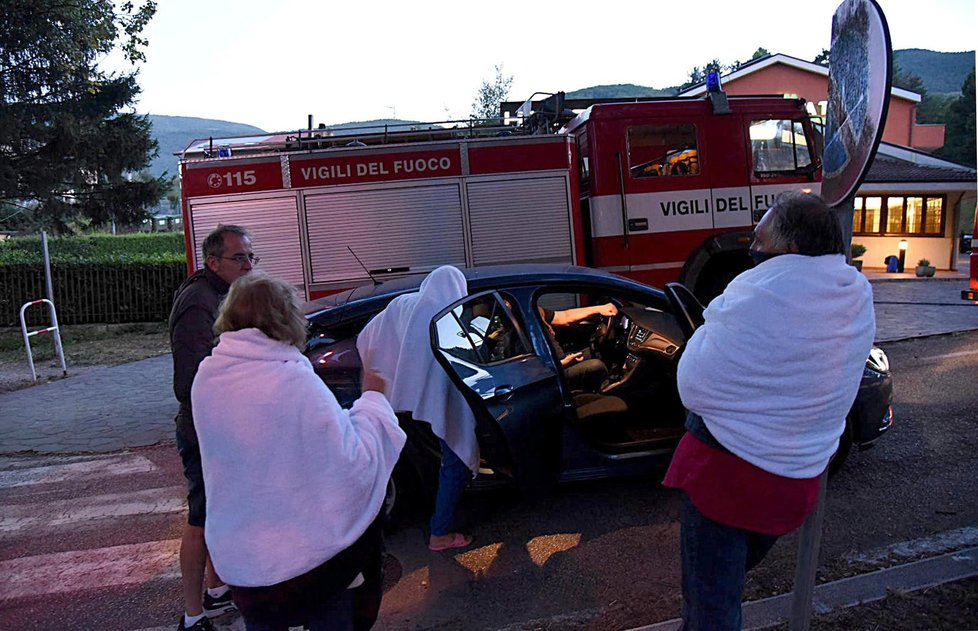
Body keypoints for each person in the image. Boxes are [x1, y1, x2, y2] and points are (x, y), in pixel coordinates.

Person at [662, 192, 876, 630]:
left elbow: (694, 385)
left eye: (760, 242)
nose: (754, 251)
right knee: (724, 586)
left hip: (724, 484)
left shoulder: (758, 292)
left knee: (711, 609)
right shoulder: (855, 292)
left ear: (792, 250)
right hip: (794, 484)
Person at [191, 272, 406, 631]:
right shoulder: (292, 379)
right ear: (286, 317)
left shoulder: (208, 377)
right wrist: (373, 401)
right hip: (307, 568)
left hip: (244, 563)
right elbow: (350, 464)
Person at [169, 224, 256, 631]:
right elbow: (189, 381)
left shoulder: (218, 294)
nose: (248, 265)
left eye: (251, 256)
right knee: (201, 519)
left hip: (216, 425)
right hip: (202, 428)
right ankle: (192, 615)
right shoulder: (198, 303)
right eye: (240, 257)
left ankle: (216, 591)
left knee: (216, 512)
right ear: (213, 261)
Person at [356, 266, 477, 552]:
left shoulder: (404, 304)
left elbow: (367, 335)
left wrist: (383, 370)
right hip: (439, 400)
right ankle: (440, 534)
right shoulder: (447, 318)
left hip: (396, 400)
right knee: (456, 458)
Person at [538, 302, 618, 392]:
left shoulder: (533, 309)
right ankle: (608, 399)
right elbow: (530, 368)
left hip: (560, 361)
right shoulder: (520, 324)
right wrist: (560, 363)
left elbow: (565, 316)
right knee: (596, 366)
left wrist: (600, 308)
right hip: (552, 373)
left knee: (595, 352)